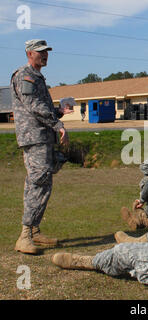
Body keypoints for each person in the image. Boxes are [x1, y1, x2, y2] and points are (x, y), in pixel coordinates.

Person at [11, 39, 72, 254]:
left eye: (46, 52)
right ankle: (25, 235)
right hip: (34, 137)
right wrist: (58, 125)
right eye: (40, 52)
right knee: (38, 182)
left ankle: (34, 230)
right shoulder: (24, 75)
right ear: (29, 53)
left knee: (44, 182)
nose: (45, 55)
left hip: (43, 137)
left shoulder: (38, 77)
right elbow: (34, 107)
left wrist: (60, 112)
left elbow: (42, 108)